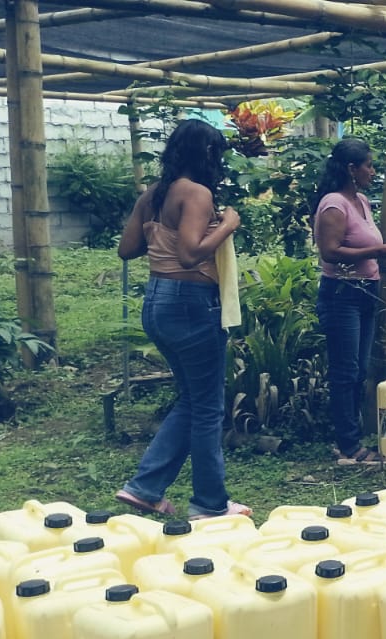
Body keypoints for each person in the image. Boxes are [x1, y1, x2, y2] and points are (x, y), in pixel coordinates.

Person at [113, 119, 250, 519]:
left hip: (157, 301)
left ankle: (145, 488)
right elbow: (191, 254)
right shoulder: (197, 194)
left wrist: (162, 234)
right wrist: (228, 225)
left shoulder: (154, 194)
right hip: (191, 303)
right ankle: (210, 503)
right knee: (207, 408)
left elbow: (127, 249)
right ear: (207, 153)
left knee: (193, 399)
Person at [309, 139, 386, 466]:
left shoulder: (361, 201)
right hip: (342, 294)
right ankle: (349, 446)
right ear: (352, 169)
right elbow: (330, 252)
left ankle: (349, 439)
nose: (373, 171)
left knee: (358, 370)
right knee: (345, 371)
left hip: (365, 291)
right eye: (368, 165)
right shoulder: (334, 204)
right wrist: (379, 251)